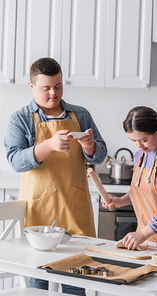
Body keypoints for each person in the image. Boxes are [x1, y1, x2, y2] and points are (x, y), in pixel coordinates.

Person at [4, 57, 107, 295]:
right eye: (46, 88)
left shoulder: (81, 114)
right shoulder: (20, 119)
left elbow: (99, 155)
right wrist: (48, 145)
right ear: (32, 86)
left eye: (58, 86)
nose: (54, 93)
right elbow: (15, 161)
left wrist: (90, 146)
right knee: (39, 284)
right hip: (40, 213)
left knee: (77, 282)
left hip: (76, 209)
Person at [101, 106, 157, 251]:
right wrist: (121, 201)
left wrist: (143, 233)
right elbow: (142, 194)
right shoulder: (141, 155)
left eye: (144, 140)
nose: (139, 146)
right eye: (133, 140)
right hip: (144, 244)